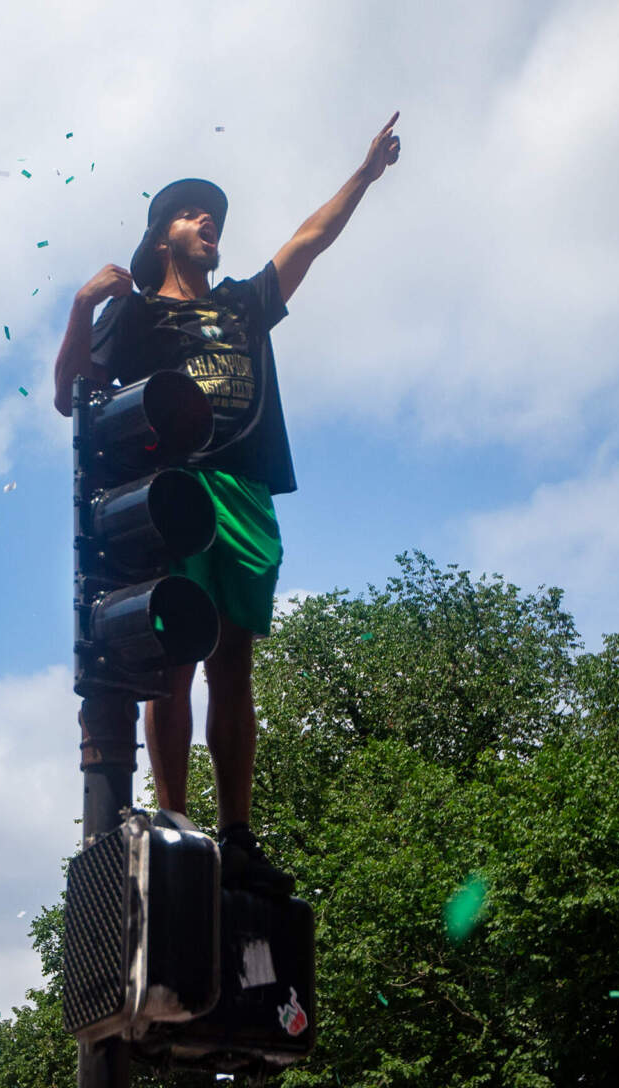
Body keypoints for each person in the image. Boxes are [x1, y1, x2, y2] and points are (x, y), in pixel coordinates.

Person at [53, 114, 403, 892]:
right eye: (188, 212)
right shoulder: (137, 314)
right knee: (175, 656)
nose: (207, 220)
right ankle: (176, 819)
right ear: (160, 238)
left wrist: (365, 175)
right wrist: (83, 308)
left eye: (213, 214)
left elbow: (310, 238)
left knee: (234, 665)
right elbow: (66, 398)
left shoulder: (245, 305)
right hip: (170, 493)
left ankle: (238, 833)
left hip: (242, 490)